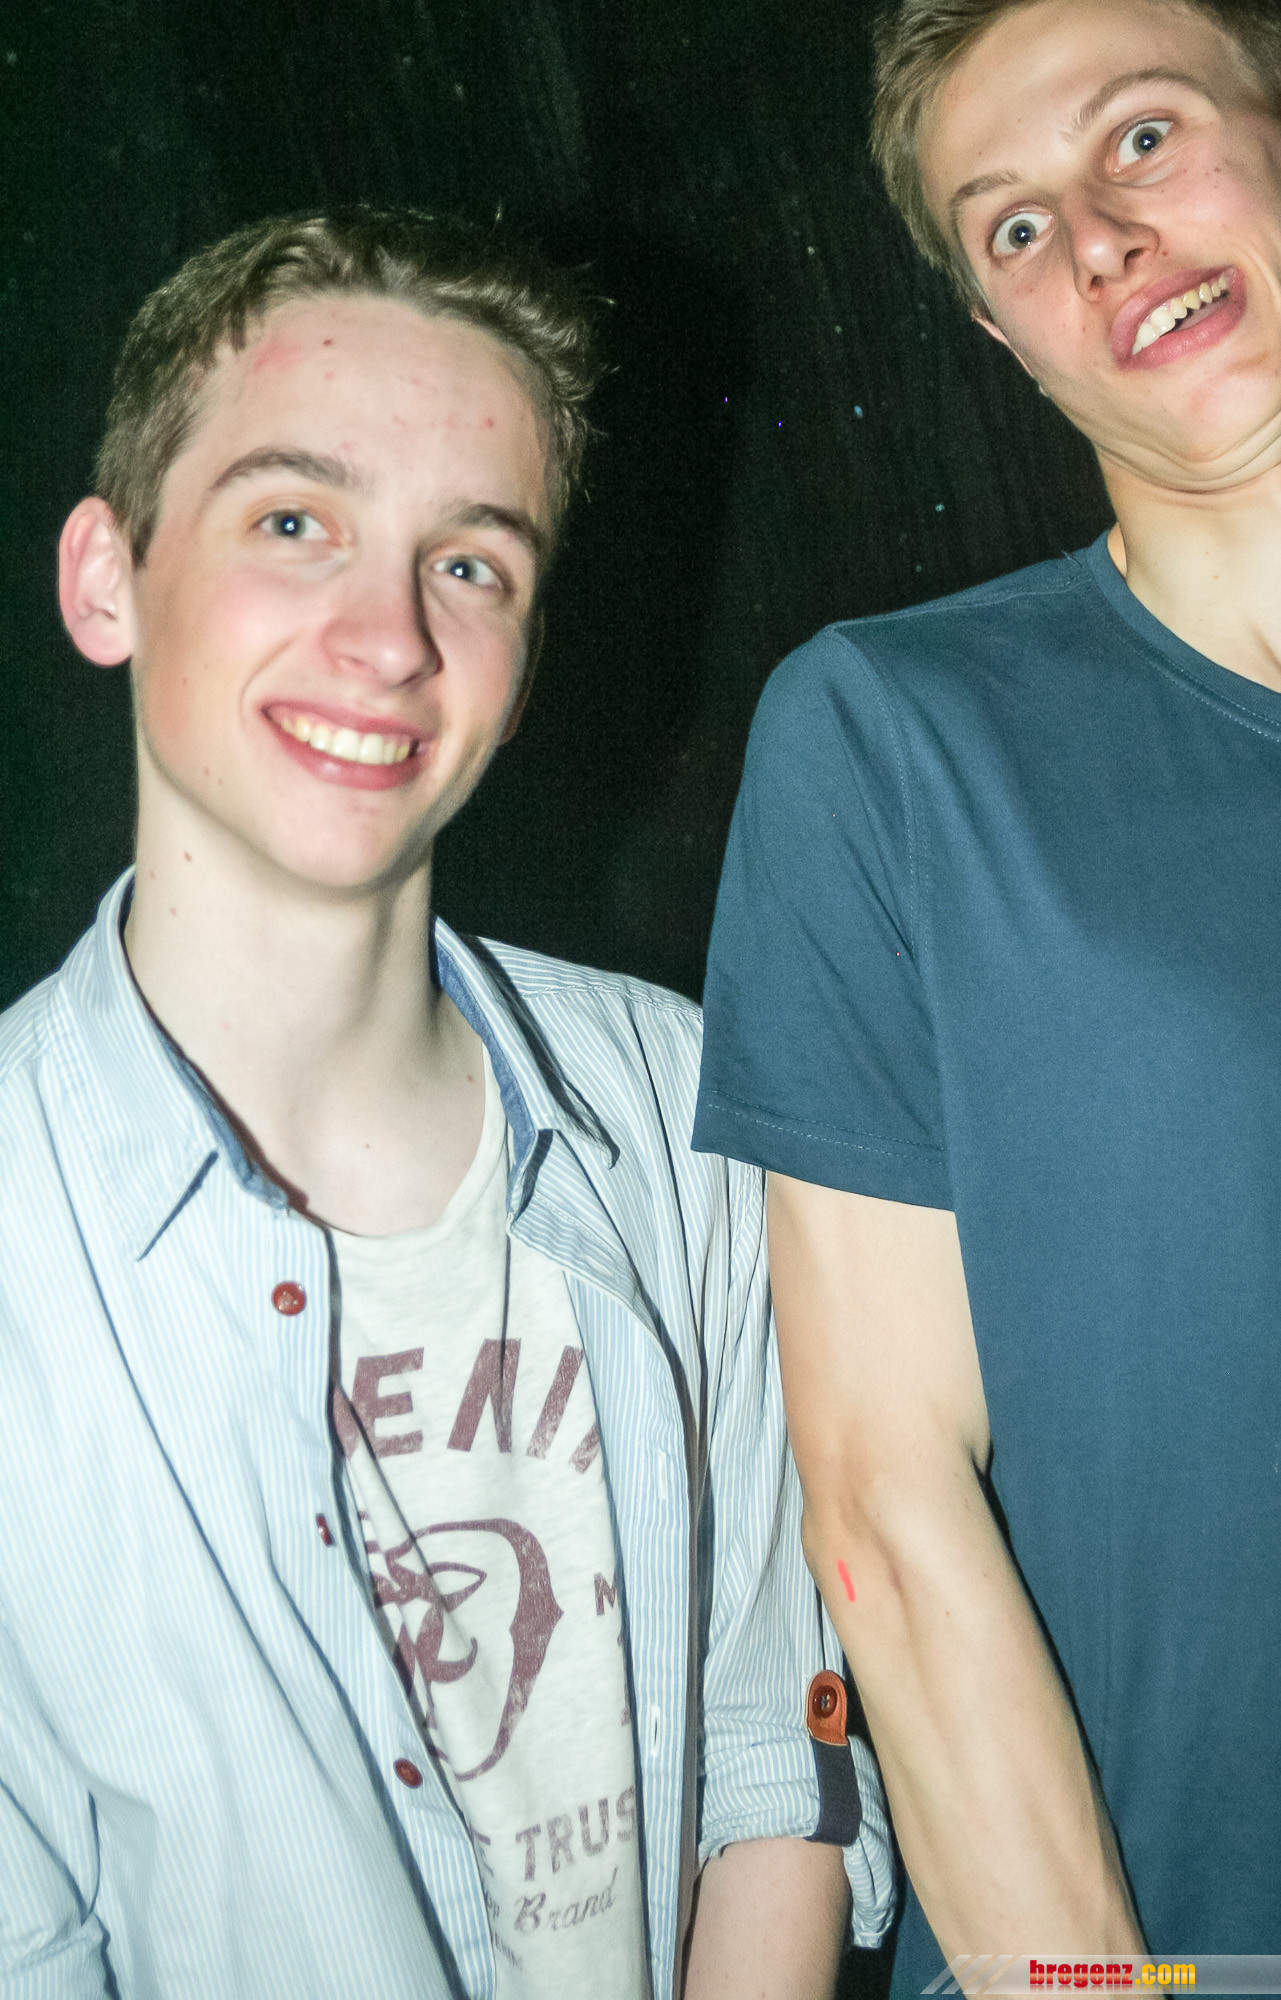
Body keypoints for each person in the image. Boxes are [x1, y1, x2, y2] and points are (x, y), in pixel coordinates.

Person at [0, 209, 891, 2000]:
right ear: (107, 580)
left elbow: (766, 1752)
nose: (389, 637)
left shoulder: (678, 1101)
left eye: (469, 563)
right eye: (293, 522)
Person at [694, 0, 1281, 1984]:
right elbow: (882, 1506)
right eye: (1017, 228)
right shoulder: (896, 741)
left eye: (1139, 138)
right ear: (998, 330)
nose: (1103, 243)